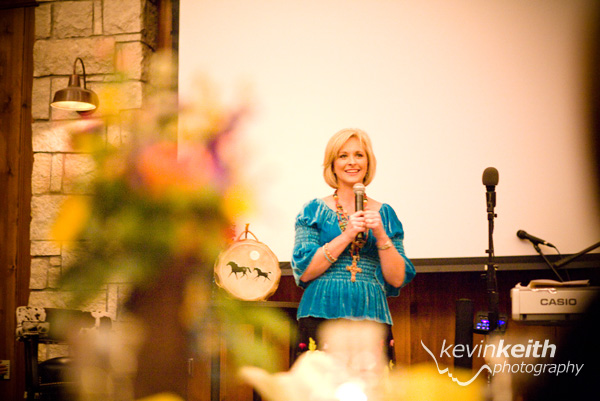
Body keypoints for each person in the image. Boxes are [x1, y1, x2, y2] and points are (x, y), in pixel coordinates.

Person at [291, 128, 416, 365]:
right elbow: (305, 271)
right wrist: (347, 234)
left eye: (359, 155)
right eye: (343, 156)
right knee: (318, 384)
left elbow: (397, 278)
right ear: (332, 165)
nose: (352, 162)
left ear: (368, 163)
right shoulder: (313, 211)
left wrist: (381, 235)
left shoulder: (385, 214)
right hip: (320, 311)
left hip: (371, 313)